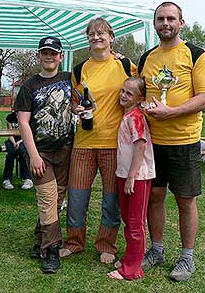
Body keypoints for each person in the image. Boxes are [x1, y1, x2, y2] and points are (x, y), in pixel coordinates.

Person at [138, 2, 205, 281]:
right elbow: (138, 90)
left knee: (185, 200)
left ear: (181, 22)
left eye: (171, 18)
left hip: (184, 140)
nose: (165, 23)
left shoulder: (196, 55)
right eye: (160, 19)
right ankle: (156, 250)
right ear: (154, 23)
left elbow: (204, 97)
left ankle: (186, 258)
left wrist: (170, 112)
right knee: (154, 197)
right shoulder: (146, 58)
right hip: (152, 141)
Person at [59, 17, 137, 264]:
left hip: (114, 144)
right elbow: (74, 101)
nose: (96, 37)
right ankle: (74, 242)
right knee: (77, 196)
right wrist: (76, 109)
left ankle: (107, 244)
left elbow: (139, 89)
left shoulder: (125, 65)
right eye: (91, 34)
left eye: (101, 33)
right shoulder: (80, 69)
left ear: (111, 37)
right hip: (83, 143)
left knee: (111, 199)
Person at [14, 36, 74, 274]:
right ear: (38, 56)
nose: (49, 57)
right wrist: (34, 155)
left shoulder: (70, 79)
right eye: (44, 53)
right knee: (48, 199)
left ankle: (40, 237)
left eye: (53, 53)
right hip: (40, 152)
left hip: (65, 149)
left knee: (56, 200)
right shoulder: (30, 86)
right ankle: (50, 250)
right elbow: (23, 122)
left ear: (60, 56)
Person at [107, 76, 155, 281]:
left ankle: (132, 269)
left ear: (139, 98)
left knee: (136, 224)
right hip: (124, 174)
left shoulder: (136, 117)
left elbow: (140, 145)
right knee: (128, 220)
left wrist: (132, 176)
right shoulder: (127, 116)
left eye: (129, 93)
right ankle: (129, 257)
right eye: (123, 91)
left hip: (138, 177)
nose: (123, 95)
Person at [2, 109, 33, 190]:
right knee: (10, 153)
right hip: (12, 139)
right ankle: (7, 179)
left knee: (23, 151)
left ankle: (27, 178)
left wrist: (19, 142)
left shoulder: (27, 117)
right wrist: (14, 142)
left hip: (24, 139)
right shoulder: (9, 118)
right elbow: (9, 133)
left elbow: (28, 132)